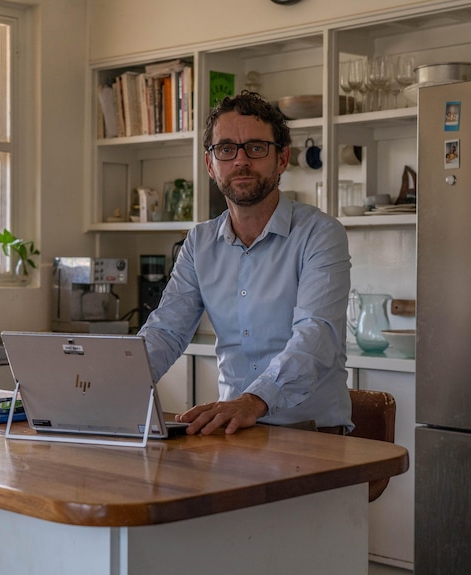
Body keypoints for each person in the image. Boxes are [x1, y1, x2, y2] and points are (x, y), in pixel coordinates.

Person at [138, 91, 353, 436]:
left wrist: (254, 400)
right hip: (234, 432)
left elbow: (317, 334)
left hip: (311, 434)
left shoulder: (320, 233)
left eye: (256, 148)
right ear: (211, 164)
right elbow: (167, 331)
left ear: (282, 159)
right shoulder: (200, 242)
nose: (240, 161)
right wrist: (112, 384)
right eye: (226, 149)